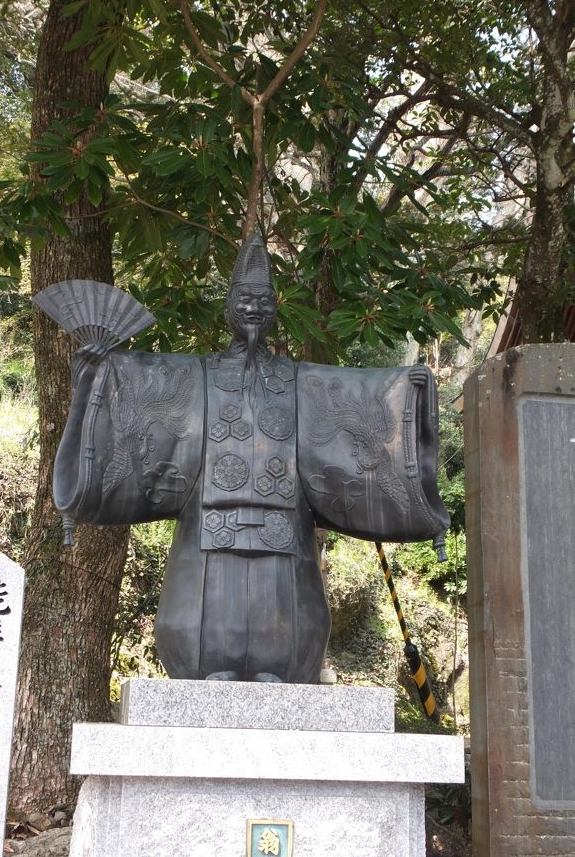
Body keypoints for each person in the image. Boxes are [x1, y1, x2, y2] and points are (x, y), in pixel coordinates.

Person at [43, 236, 449, 683]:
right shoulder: (194, 374)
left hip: (286, 527)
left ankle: (279, 666)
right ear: (228, 308)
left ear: (276, 308)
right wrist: (96, 373)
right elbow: (137, 390)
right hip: (206, 525)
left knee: (284, 616)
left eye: (262, 300)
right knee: (205, 616)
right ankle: (209, 663)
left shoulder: (301, 381)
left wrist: (409, 388)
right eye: (244, 300)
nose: (254, 309)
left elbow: (359, 398)